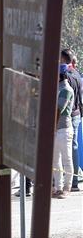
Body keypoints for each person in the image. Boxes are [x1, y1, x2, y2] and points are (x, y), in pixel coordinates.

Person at [61, 49, 82, 191]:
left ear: (62, 59)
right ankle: (73, 179)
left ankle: (72, 180)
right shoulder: (77, 74)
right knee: (72, 146)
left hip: (68, 114)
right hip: (77, 113)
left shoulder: (66, 76)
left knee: (69, 148)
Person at [53, 65, 75, 198]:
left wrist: (52, 127)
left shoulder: (66, 89)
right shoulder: (57, 88)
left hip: (63, 129)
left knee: (67, 159)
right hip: (57, 129)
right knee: (55, 160)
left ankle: (67, 187)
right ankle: (58, 187)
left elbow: (58, 110)